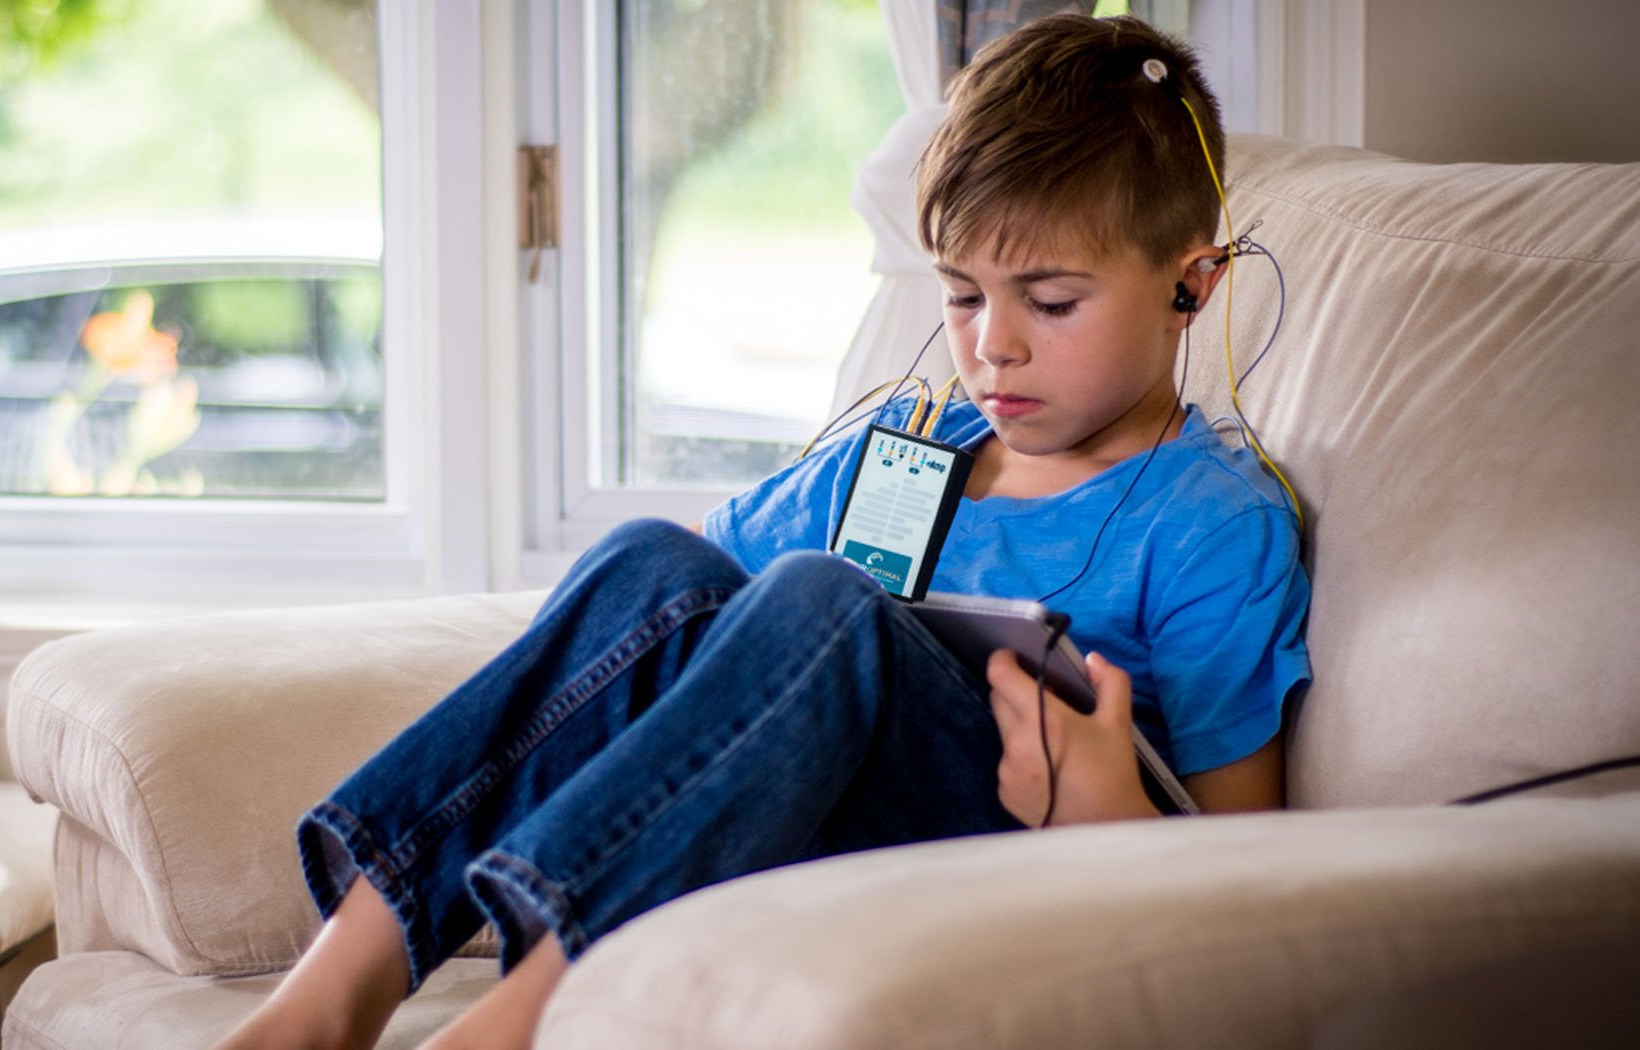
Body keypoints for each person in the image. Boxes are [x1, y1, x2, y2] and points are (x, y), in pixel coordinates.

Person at [220, 13, 1310, 1050]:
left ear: (1193, 284)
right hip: (796, 834)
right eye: (962, 295)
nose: (994, 348)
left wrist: (1105, 809)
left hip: (1008, 867)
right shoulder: (911, 448)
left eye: (1051, 302)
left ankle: (529, 1017)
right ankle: (332, 991)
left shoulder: (1211, 523)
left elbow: (1256, 881)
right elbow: (678, 614)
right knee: (653, 558)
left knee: (826, 600)